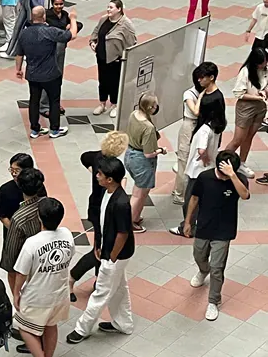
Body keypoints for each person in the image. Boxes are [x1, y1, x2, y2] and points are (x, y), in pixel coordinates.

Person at [67, 156, 135, 343]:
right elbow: (103, 223)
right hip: (109, 251)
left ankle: (82, 329)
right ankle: (124, 324)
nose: (96, 176)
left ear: (110, 179)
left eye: (100, 174)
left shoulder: (121, 203)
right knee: (120, 288)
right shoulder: (107, 193)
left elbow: (123, 233)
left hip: (116, 255)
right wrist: (98, 244)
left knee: (101, 292)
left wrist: (111, 257)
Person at [13, 197, 74, 357]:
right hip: (60, 291)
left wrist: (16, 292)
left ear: (39, 218)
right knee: (51, 324)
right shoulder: (67, 235)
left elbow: (21, 272)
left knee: (23, 327)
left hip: (37, 295)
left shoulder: (32, 243)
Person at [186, 150, 250, 320]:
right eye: (223, 174)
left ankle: (213, 301)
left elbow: (245, 195)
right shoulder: (204, 177)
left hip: (224, 229)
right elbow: (194, 199)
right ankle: (202, 270)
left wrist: (233, 176)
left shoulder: (238, 179)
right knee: (199, 255)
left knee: (217, 268)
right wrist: (188, 222)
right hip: (204, 225)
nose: (224, 178)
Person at [69, 131, 130, 301]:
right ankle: (72, 277)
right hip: (104, 212)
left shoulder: (96, 157)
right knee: (99, 250)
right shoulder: (112, 166)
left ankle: (98, 280)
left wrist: (92, 171)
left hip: (94, 207)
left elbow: (83, 157)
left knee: (100, 246)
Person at [14, 5, 78, 139]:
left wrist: (18, 69)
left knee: (34, 101)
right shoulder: (49, 31)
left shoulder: (24, 33)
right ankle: (54, 129)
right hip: (51, 74)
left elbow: (19, 54)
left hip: (33, 75)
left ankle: (35, 130)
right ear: (44, 17)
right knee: (54, 101)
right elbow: (72, 35)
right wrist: (73, 19)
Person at [170, 95, 227, 236]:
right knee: (203, 201)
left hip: (197, 171)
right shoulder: (218, 125)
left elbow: (201, 149)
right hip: (208, 169)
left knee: (190, 201)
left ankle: (187, 226)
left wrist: (204, 157)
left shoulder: (204, 130)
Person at [0, 167, 46, 297]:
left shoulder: (18, 218)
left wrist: (16, 295)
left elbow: (11, 257)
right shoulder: (47, 205)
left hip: (25, 261)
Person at [225, 46, 268, 178]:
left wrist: (263, 92)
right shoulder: (245, 72)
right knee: (238, 139)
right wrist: (257, 97)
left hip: (260, 107)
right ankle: (222, 161)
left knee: (250, 136)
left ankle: (242, 163)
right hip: (246, 107)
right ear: (255, 62)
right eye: (263, 62)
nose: (265, 64)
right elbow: (239, 93)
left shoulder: (265, 70)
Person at [91, 0, 137, 119]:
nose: (108, 9)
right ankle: (102, 103)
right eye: (108, 7)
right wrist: (93, 41)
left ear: (119, 9)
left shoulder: (126, 24)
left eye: (111, 7)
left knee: (114, 83)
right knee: (102, 81)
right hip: (101, 57)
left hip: (115, 60)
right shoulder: (104, 19)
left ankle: (115, 104)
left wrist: (125, 56)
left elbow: (132, 43)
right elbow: (96, 32)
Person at [124, 93, 163, 233]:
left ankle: (135, 215)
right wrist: (160, 151)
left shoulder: (134, 114)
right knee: (139, 194)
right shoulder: (148, 128)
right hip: (142, 160)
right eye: (155, 105)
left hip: (130, 154)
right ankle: (129, 222)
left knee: (138, 190)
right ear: (150, 107)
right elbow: (148, 153)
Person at [39, 0, 82, 119]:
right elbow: (55, 29)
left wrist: (69, 26)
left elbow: (78, 25)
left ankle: (54, 103)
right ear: (52, 4)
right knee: (48, 78)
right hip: (50, 50)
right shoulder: (47, 15)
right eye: (56, 4)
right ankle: (44, 105)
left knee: (58, 77)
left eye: (61, 4)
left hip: (61, 49)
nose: (59, 6)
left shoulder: (64, 15)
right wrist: (67, 28)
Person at [0, 153, 46, 244]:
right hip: (14, 237)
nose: (13, 173)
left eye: (17, 170)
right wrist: (15, 231)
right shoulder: (5, 189)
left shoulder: (37, 186)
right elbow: (1, 214)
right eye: (11, 170)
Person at [173, 67, 207, 205]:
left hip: (200, 127)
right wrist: (201, 97)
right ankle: (179, 194)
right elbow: (195, 111)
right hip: (189, 125)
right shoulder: (189, 94)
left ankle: (187, 190)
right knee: (183, 159)